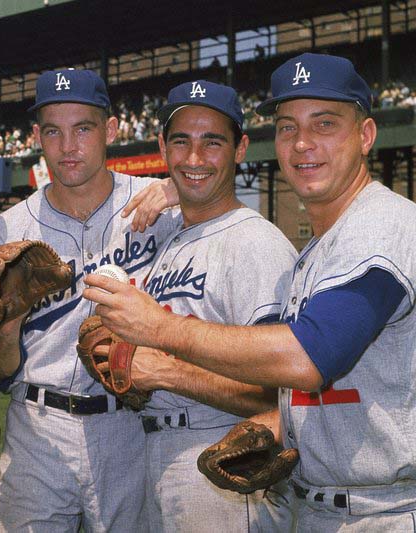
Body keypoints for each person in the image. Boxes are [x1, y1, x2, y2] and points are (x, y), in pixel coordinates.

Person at [86, 53, 416, 531]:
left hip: (383, 510)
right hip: (325, 502)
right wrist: (276, 424)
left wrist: (159, 333)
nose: (303, 144)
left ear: (365, 136)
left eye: (324, 124)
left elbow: (310, 357)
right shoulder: (326, 243)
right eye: (287, 128)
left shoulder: (383, 223)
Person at [0, 68, 179, 531]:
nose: (68, 146)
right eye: (54, 130)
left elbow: (223, 213)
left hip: (129, 426)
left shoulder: (157, 207)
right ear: (36, 137)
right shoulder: (7, 230)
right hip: (37, 429)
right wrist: (9, 326)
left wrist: (183, 191)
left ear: (110, 130)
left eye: (83, 128)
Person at [129, 80, 296, 531]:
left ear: (240, 148)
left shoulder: (255, 244)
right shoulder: (170, 241)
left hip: (223, 458)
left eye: (212, 142)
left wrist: (166, 372)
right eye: (181, 141)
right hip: (155, 453)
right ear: (163, 147)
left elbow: (283, 395)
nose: (195, 158)